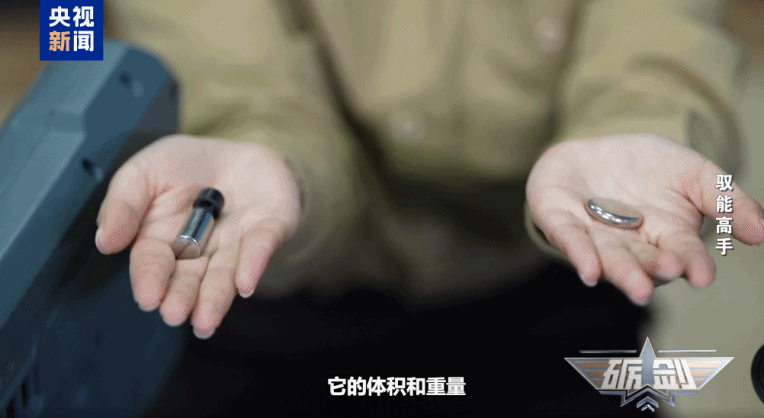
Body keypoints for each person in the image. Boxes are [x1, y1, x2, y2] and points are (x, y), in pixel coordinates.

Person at [91, 0, 762, 414]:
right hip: (273, 297)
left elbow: (656, 47)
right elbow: (244, 92)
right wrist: (272, 162)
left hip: (552, 290)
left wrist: (643, 127)